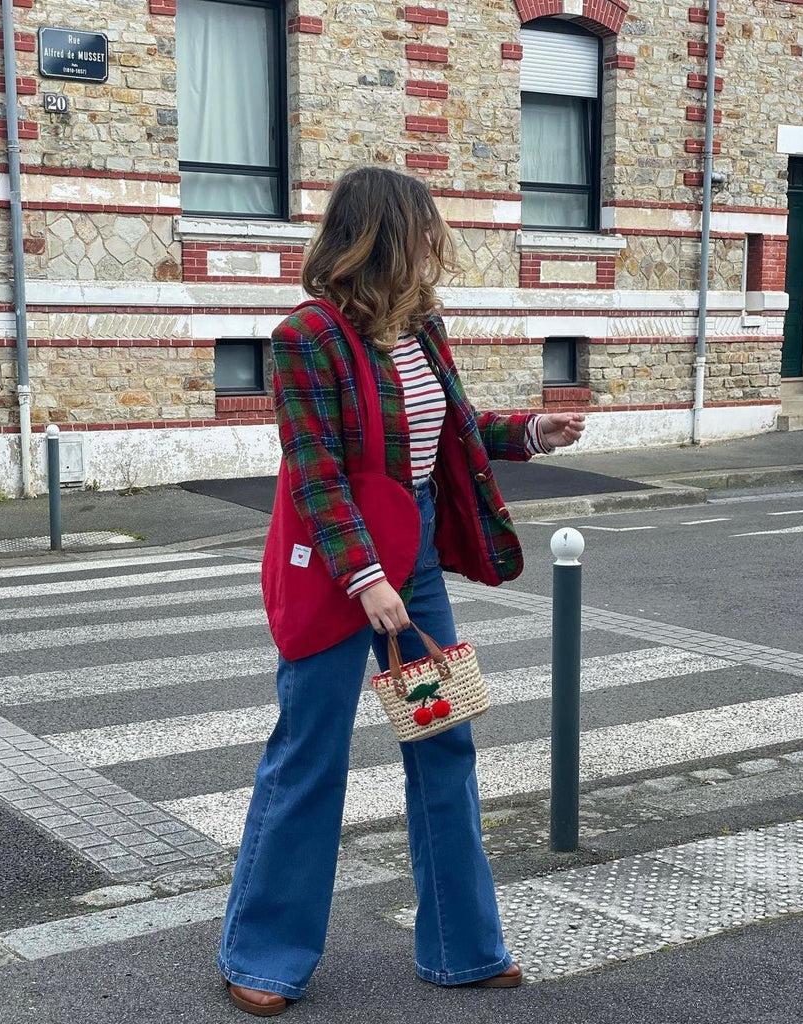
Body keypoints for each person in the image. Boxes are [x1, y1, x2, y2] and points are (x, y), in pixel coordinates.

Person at [218, 166, 586, 1016]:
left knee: (442, 743)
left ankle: (463, 948)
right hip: (341, 560)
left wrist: (527, 430)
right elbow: (313, 472)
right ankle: (263, 956)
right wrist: (366, 578)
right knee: (311, 752)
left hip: (410, 557)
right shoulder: (305, 337)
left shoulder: (419, 327)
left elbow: (444, 432)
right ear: (384, 235)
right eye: (424, 229)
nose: (435, 244)